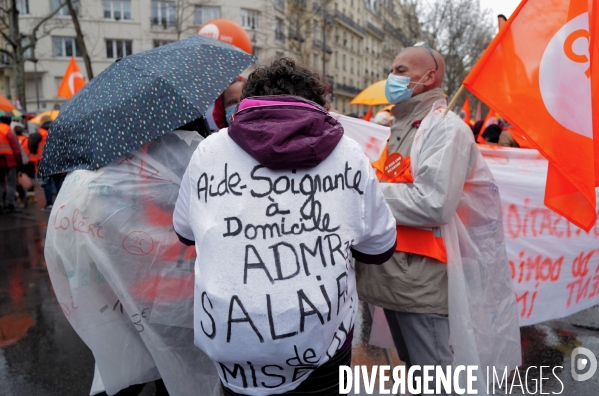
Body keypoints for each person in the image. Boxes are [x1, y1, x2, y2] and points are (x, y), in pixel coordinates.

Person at [173, 58, 397, 396]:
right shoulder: (350, 155)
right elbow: (380, 248)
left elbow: (185, 232)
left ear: (247, 102)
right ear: (320, 103)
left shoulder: (209, 151)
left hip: (232, 343)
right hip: (321, 340)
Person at [356, 45, 521, 393]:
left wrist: (364, 191)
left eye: (400, 70)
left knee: (435, 382)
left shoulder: (446, 130)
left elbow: (433, 204)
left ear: (429, 76)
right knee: (420, 376)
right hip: (397, 278)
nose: (392, 77)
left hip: (421, 281)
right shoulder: (404, 127)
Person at [44, 117, 221, 396]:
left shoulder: (115, 163)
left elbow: (100, 224)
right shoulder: (196, 157)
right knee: (180, 371)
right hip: (187, 295)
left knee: (135, 366)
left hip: (136, 292)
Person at [0, 115, 22, 213]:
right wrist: (18, 160)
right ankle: (10, 204)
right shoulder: (8, 130)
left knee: (0, 183)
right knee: (11, 183)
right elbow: (16, 147)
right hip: (8, 160)